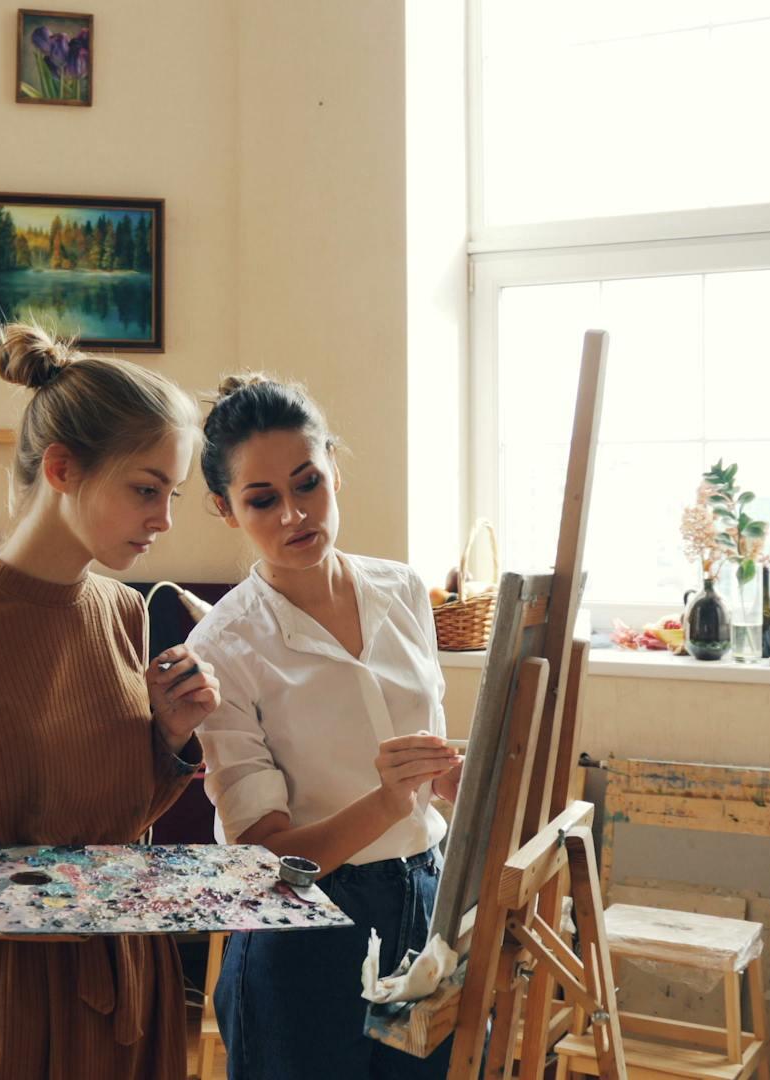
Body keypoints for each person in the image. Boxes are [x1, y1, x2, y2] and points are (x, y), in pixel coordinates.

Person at [0, 323, 220, 1079]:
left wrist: (170, 740)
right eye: (146, 490)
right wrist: (49, 910)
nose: (164, 519)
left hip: (140, 991)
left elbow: (114, 825)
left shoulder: (122, 611)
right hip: (12, 1005)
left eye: (172, 493)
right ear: (62, 469)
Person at [186, 375, 461, 1078]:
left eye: (309, 483)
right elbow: (263, 863)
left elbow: (432, 766)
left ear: (335, 470)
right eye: (262, 499)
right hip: (303, 937)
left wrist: (466, 788)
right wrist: (387, 801)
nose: (293, 514)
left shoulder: (403, 590)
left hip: (424, 904)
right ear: (225, 509)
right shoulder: (223, 646)